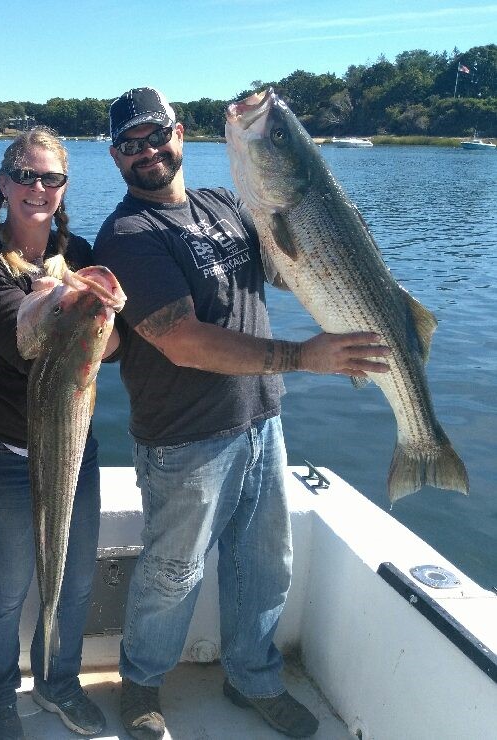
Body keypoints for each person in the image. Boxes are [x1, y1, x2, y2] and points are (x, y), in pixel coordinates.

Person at [92, 88, 392, 739]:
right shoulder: (127, 234)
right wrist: (301, 355)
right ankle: (142, 684)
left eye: (156, 135)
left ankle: (250, 676)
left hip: (261, 420)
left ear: (179, 134)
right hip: (184, 440)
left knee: (264, 563)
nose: (146, 152)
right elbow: (181, 339)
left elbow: (288, 269)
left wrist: (326, 231)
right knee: (173, 573)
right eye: (130, 144)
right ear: (116, 156)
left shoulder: (226, 203)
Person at [0, 127, 119, 740]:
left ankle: (58, 684)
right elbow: (31, 349)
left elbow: (112, 347)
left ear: (64, 187)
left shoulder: (81, 251)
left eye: (50, 178)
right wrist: (74, 307)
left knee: (74, 581)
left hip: (76, 446)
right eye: (24, 175)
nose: (36, 188)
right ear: (2, 182)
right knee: (7, 590)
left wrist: (101, 313)